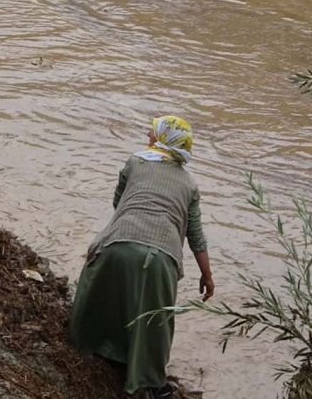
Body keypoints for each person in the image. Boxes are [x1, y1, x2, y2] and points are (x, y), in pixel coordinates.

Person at [69, 116, 214, 398]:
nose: (148, 134)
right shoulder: (190, 185)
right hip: (160, 257)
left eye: (153, 131)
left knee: (103, 297)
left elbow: (118, 203)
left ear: (162, 139)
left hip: (115, 244)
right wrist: (207, 276)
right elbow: (196, 236)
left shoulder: (136, 162)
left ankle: (94, 347)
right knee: (153, 321)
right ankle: (150, 382)